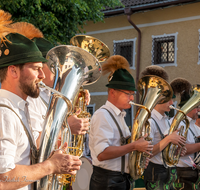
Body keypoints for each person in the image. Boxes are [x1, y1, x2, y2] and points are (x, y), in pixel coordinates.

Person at [0, 10, 81, 190]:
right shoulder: (3, 112)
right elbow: (4, 180)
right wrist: (50, 166)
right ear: (13, 71)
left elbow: (27, 157)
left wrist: (56, 156)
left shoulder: (20, 108)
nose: (42, 75)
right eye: (36, 68)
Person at [10, 21, 90, 148]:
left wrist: (74, 103)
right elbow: (35, 146)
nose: (60, 70)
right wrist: (66, 126)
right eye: (54, 66)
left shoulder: (51, 94)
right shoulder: (30, 97)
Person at [89, 55, 153, 190]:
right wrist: (134, 146)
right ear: (113, 92)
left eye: (132, 94)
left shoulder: (119, 116)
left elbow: (122, 147)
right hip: (107, 181)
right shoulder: (103, 115)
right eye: (127, 94)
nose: (131, 98)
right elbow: (102, 154)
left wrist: (139, 156)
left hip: (119, 179)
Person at [141, 66, 186, 190]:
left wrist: (176, 151)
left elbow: (166, 149)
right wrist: (168, 139)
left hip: (169, 171)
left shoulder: (166, 120)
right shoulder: (149, 121)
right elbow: (146, 154)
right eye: (169, 99)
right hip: (156, 173)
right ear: (159, 99)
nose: (172, 103)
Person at [169, 78, 200, 190]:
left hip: (193, 173)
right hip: (182, 174)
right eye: (196, 107)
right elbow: (180, 150)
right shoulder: (178, 123)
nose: (198, 110)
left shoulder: (193, 124)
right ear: (189, 107)